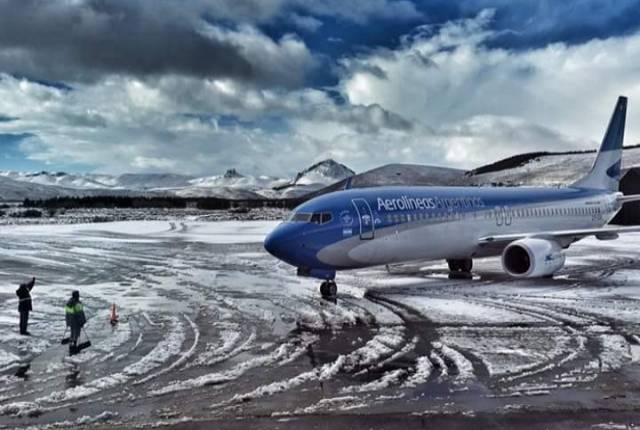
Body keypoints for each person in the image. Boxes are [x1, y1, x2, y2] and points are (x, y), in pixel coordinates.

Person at [64, 290, 86, 355]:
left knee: (72, 334)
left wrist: (68, 323)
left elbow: (67, 314)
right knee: (76, 335)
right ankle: (74, 348)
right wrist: (82, 322)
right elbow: (80, 314)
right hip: (76, 322)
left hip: (70, 322)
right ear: (77, 296)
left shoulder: (68, 303)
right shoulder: (77, 304)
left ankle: (71, 347)